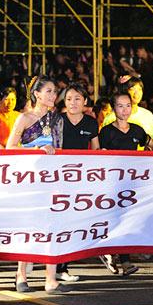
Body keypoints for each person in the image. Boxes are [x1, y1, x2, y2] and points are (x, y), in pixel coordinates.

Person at [5, 76, 72, 294]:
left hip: (52, 179)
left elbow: (59, 148)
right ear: (37, 94)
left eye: (55, 92)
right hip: (29, 180)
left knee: (51, 228)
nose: (53, 96)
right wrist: (35, 151)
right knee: (28, 227)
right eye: (49, 91)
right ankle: (21, 274)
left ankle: (50, 279)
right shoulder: (24, 118)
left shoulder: (57, 119)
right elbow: (9, 148)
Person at [98, 92, 151, 276]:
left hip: (132, 182)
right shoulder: (106, 132)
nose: (124, 109)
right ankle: (122, 259)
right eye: (120, 105)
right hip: (112, 183)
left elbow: (150, 146)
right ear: (114, 109)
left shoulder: (138, 130)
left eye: (127, 105)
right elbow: (101, 155)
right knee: (116, 220)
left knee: (127, 219)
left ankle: (115, 255)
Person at [56, 83, 102, 281]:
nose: (72, 103)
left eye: (77, 99)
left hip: (80, 179)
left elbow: (96, 150)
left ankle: (62, 267)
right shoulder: (57, 120)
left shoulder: (91, 123)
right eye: (68, 99)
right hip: (57, 177)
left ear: (85, 101)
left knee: (72, 223)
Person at [101, 76, 153, 146]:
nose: (137, 93)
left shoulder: (146, 115)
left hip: (139, 156)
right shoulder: (111, 118)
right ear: (125, 91)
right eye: (132, 89)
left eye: (139, 89)